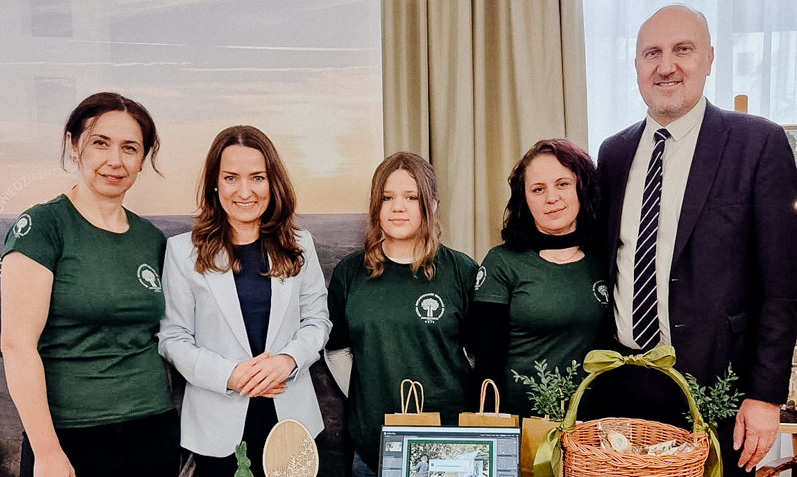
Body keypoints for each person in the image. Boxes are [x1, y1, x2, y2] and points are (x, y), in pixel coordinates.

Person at [597, 5, 797, 475]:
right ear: (636, 65)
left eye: (682, 49)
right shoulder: (613, 153)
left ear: (709, 58)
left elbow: (783, 285)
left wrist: (766, 396)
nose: (666, 66)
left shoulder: (758, 144)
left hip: (720, 391)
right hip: (624, 388)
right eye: (652, 53)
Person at [0, 92, 180, 477]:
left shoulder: (151, 239)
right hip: (69, 438)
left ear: (143, 159)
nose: (115, 160)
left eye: (129, 148)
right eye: (101, 143)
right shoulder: (43, 227)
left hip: (153, 430)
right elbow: (16, 345)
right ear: (73, 145)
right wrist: (47, 451)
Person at [157, 125, 331, 477]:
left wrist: (288, 360)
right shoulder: (182, 251)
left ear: (272, 182)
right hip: (216, 429)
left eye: (257, 177)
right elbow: (173, 339)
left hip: (292, 421)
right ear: (215, 183)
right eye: (231, 178)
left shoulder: (300, 244)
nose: (245, 191)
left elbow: (317, 321)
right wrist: (231, 375)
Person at [325, 152, 478, 477]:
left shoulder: (461, 271)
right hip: (373, 446)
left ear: (431, 204)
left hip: (450, 448)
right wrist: (370, 395)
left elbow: (478, 356)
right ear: (375, 206)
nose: (398, 207)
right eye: (387, 198)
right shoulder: (350, 273)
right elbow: (336, 350)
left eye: (411, 197)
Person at [471, 138, 609, 417]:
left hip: (592, 427)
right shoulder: (502, 262)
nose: (551, 198)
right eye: (538, 189)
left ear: (582, 188)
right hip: (522, 425)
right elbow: (486, 363)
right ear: (524, 199)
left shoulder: (607, 257)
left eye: (562, 184)